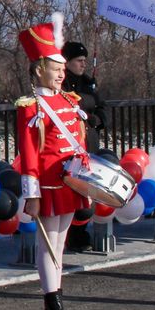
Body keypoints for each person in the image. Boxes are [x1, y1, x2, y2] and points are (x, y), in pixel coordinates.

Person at [16, 14, 90, 310]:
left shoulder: (69, 101)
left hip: (69, 181)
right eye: (56, 68)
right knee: (48, 245)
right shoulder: (31, 106)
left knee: (60, 244)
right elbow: (29, 153)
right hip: (45, 183)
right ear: (38, 69)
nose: (62, 74)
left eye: (63, 69)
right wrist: (31, 194)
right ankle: (53, 308)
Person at [61, 40, 106, 253]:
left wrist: (98, 119)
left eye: (85, 61)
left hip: (90, 141)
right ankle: (72, 234)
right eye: (79, 61)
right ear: (67, 62)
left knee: (87, 191)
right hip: (71, 144)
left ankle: (81, 232)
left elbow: (102, 107)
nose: (83, 65)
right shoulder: (62, 84)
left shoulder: (89, 83)